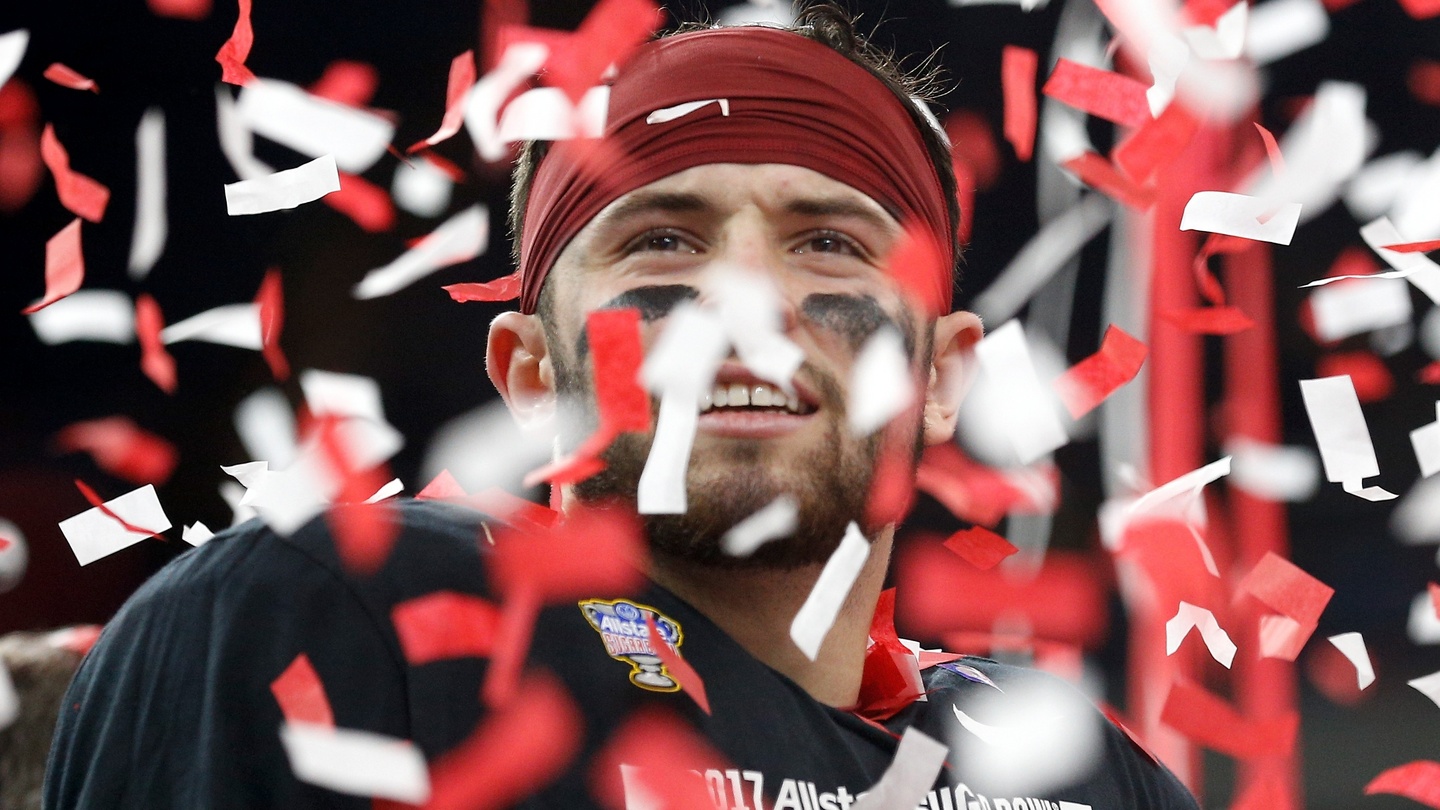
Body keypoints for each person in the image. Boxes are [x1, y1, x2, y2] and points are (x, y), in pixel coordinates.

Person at [45, 5, 1200, 808]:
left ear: (942, 375)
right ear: (534, 378)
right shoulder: (347, 608)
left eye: (831, 245)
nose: (747, 303)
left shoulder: (1072, 772)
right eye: (662, 239)